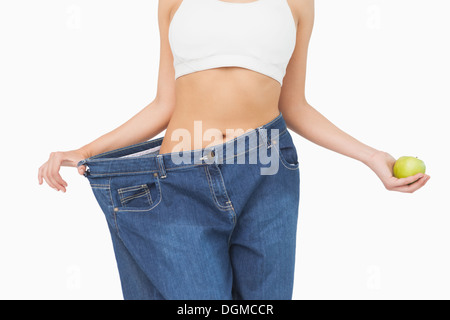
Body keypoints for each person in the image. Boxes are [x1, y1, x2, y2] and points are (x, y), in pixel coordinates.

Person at [38, 0, 430, 300]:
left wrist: (371, 156)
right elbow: (164, 104)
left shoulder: (297, 4)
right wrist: (85, 149)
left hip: (268, 174)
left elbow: (293, 105)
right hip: (179, 180)